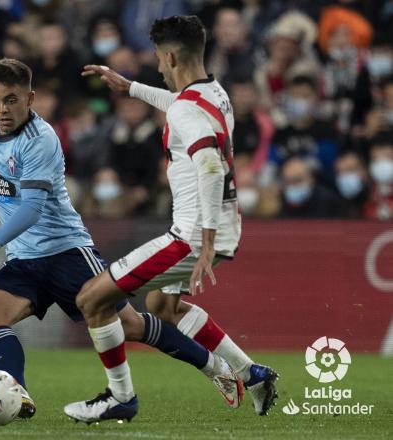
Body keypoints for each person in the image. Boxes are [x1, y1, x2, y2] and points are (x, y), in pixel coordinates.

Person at [0, 58, 241, 420]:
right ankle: (17, 393)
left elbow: (31, 209)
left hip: (67, 251)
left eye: (12, 100)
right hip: (24, 258)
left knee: (131, 325)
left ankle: (217, 369)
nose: (2, 110)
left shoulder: (41, 140)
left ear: (30, 98)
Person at [70, 16, 279, 423]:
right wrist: (128, 86)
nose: (159, 68)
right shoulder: (212, 93)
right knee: (161, 304)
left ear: (169, 56)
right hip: (223, 225)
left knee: (92, 299)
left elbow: (210, 167)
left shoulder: (187, 111)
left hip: (190, 235)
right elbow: (181, 106)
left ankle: (120, 397)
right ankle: (251, 373)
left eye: (158, 60)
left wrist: (202, 244)